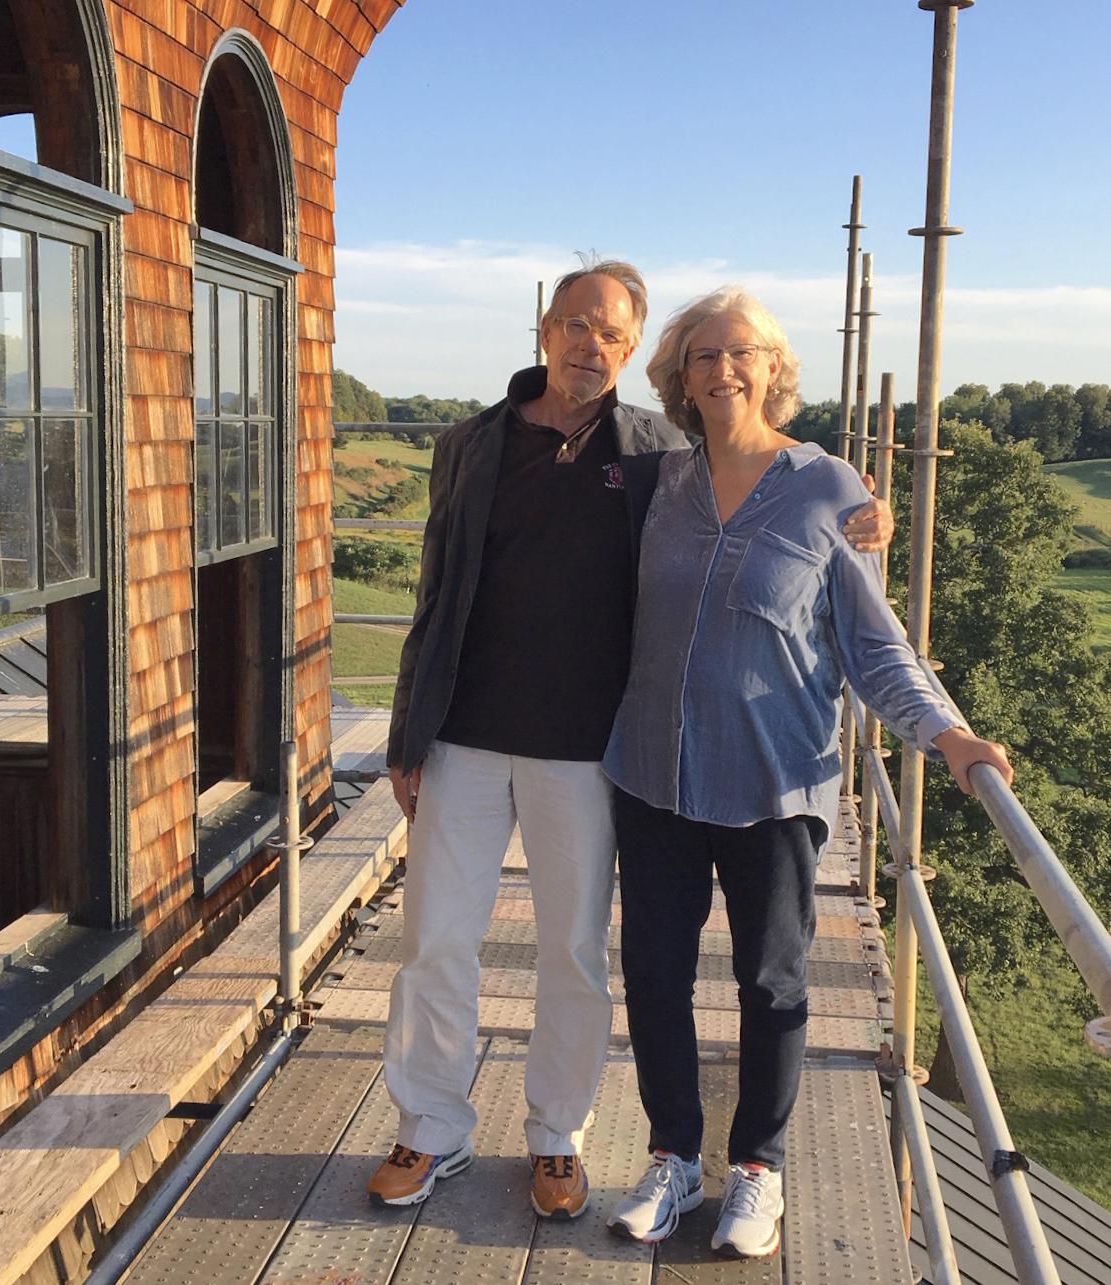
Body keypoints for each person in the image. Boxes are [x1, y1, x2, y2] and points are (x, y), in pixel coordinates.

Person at [365, 262, 893, 1220]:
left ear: (627, 346)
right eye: (571, 324)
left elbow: (768, 471)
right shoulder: (469, 444)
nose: (585, 345)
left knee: (572, 949)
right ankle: (430, 1125)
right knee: (435, 938)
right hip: (464, 740)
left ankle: (556, 1136)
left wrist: (860, 512)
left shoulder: (657, 452)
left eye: (606, 333)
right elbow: (434, 596)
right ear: (543, 330)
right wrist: (409, 730)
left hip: (588, 747)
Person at [600, 286, 1013, 1258]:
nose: (722, 370)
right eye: (703, 355)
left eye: (741, 353)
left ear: (772, 371)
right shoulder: (658, 483)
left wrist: (945, 735)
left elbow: (874, 650)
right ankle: (669, 1154)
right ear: (679, 375)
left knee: (771, 980)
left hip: (776, 779)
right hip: (651, 775)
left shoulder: (828, 488)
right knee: (653, 973)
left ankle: (756, 1169)